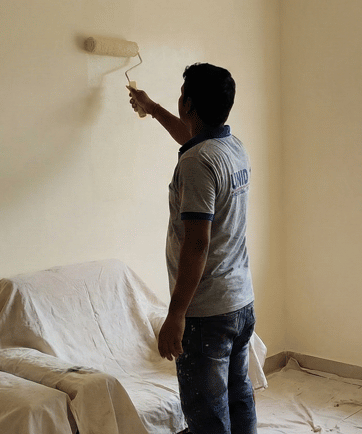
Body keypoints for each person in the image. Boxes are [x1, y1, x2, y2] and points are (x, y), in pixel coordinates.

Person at [128, 63, 257, 434]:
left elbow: (197, 243)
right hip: (240, 301)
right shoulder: (230, 146)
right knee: (237, 396)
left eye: (182, 96)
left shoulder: (196, 163)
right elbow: (191, 136)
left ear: (188, 104)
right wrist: (151, 109)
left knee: (207, 415)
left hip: (207, 313)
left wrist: (176, 315)